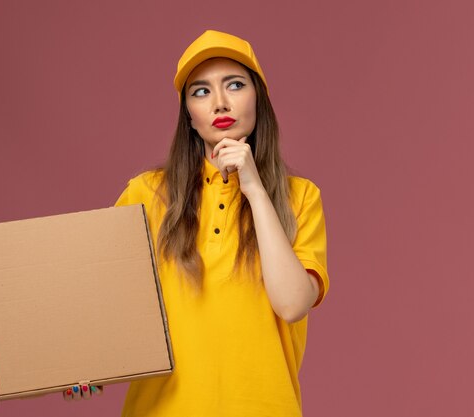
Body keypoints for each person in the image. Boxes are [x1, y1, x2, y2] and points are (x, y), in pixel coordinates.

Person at [115, 29, 329, 416]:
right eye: (201, 91)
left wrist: (255, 190)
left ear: (258, 100)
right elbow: (100, 301)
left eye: (234, 84)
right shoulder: (147, 194)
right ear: (189, 117)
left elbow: (293, 303)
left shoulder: (301, 197)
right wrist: (75, 371)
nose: (219, 103)